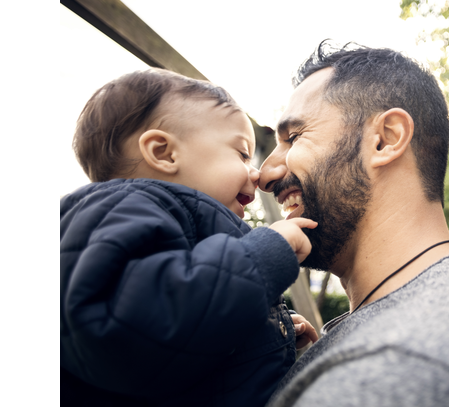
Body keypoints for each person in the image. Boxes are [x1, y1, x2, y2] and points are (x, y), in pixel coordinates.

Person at [259, 41, 449, 407]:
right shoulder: (415, 329)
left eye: (294, 137)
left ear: (386, 139)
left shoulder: (402, 370)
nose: (264, 174)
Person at [60, 68, 318, 406]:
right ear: (164, 153)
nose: (256, 174)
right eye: (242, 153)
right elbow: (133, 329)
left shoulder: (173, 223)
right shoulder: (120, 209)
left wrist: (262, 330)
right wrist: (265, 253)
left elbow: (184, 331)